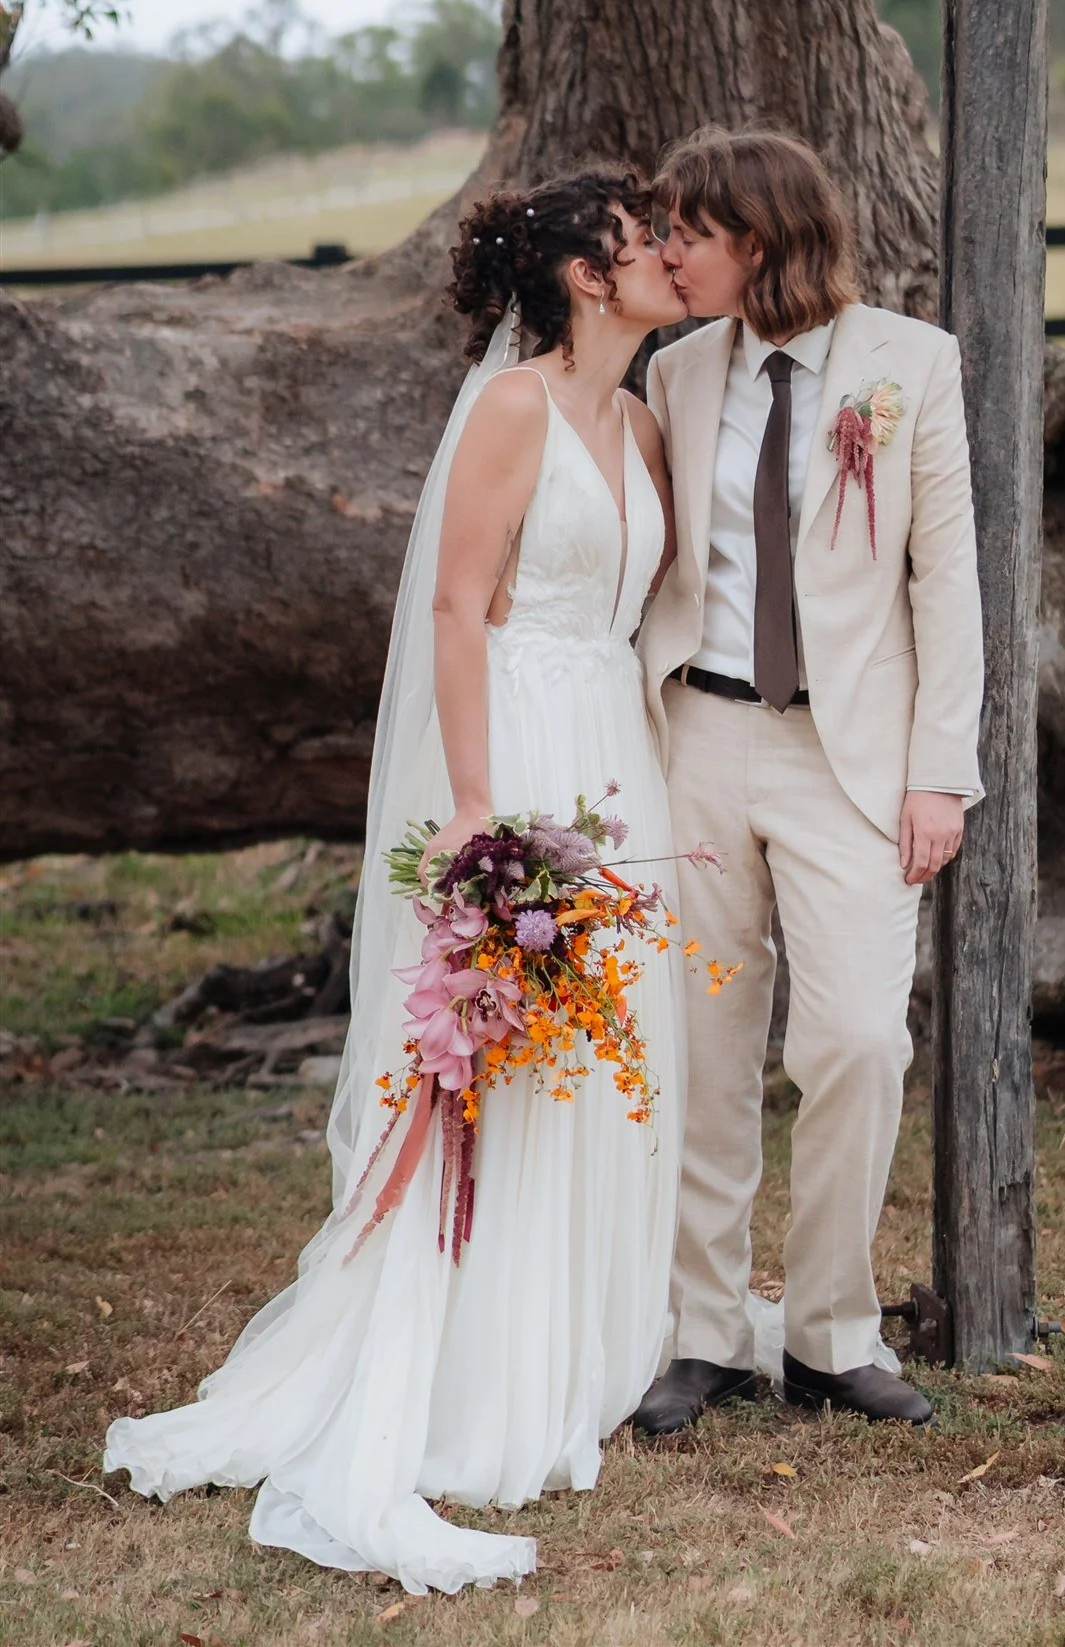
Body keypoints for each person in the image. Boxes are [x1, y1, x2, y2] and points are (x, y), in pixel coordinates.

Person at [105, 168, 690, 1596]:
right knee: (508, 1057)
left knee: (604, 1047)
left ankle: (578, 1353)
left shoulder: (643, 423)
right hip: (518, 743)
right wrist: (478, 813)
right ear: (583, 276)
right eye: (640, 243)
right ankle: (477, 1366)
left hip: (616, 746)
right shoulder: (514, 411)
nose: (668, 258)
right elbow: (455, 608)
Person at [634, 127, 984, 1434]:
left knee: (857, 1041)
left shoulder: (910, 364)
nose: (668, 254)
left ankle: (833, 1336)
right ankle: (706, 1335)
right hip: (700, 741)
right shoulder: (676, 373)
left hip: (853, 758)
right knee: (705, 1046)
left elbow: (946, 585)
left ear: (761, 239)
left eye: (689, 233)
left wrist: (939, 773)